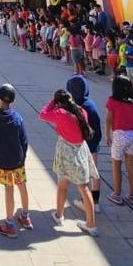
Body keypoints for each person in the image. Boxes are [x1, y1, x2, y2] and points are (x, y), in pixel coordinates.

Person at [39, 90, 99, 236]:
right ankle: (91, 224)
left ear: (59, 103)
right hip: (80, 150)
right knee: (84, 188)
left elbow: (42, 114)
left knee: (62, 185)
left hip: (66, 151)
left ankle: (59, 215)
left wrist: (52, 101)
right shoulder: (81, 111)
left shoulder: (61, 114)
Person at [0, 84, 31, 237]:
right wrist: (22, 157)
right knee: (22, 185)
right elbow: (24, 140)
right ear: (13, 100)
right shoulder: (17, 117)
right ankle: (25, 216)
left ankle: (9, 223)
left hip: (2, 160)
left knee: (8, 189)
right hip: (18, 159)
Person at [66, 76, 103, 212]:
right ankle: (96, 201)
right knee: (94, 171)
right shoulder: (90, 103)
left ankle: (85, 201)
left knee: (83, 173)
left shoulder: (75, 107)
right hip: (94, 141)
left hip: (82, 143)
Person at [106, 77, 133, 206]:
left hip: (119, 134)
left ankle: (117, 193)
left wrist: (107, 134)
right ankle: (132, 195)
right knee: (131, 165)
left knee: (116, 165)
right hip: (132, 134)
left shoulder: (112, 101)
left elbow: (108, 119)